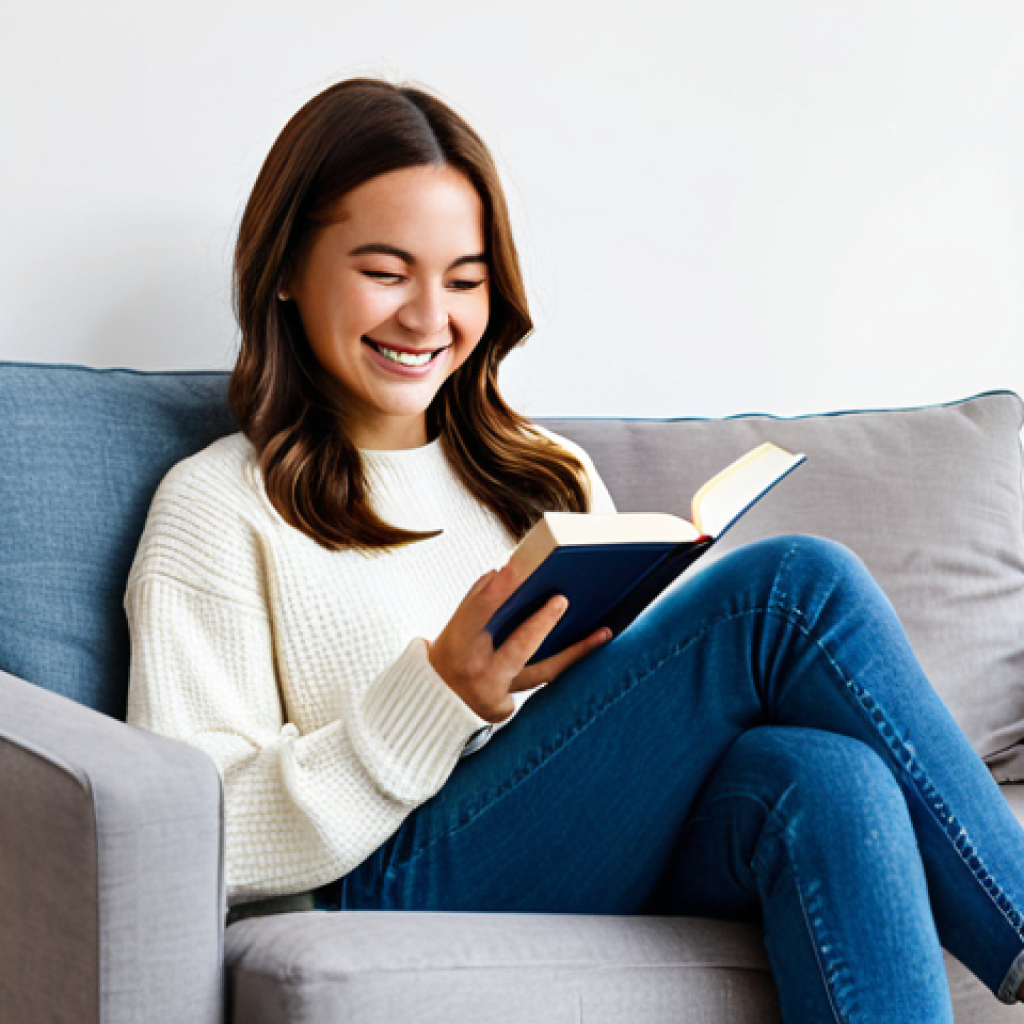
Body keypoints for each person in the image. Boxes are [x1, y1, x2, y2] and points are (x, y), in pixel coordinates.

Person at [124, 77, 1024, 1023]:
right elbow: (194, 831)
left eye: (464, 280)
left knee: (826, 778)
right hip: (380, 879)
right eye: (386, 272)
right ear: (285, 268)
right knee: (792, 590)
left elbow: (617, 725)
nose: (430, 319)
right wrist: (437, 697)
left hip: (591, 846)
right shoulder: (219, 506)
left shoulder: (543, 474)